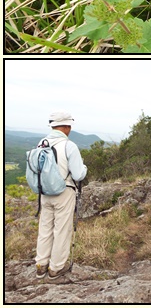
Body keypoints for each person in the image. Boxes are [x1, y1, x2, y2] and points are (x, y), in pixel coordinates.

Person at [35, 111, 87, 280]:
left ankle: (41, 265)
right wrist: (84, 168)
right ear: (65, 127)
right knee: (62, 230)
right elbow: (78, 175)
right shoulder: (69, 146)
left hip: (45, 192)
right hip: (64, 192)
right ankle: (55, 268)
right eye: (69, 126)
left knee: (45, 228)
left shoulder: (41, 143)